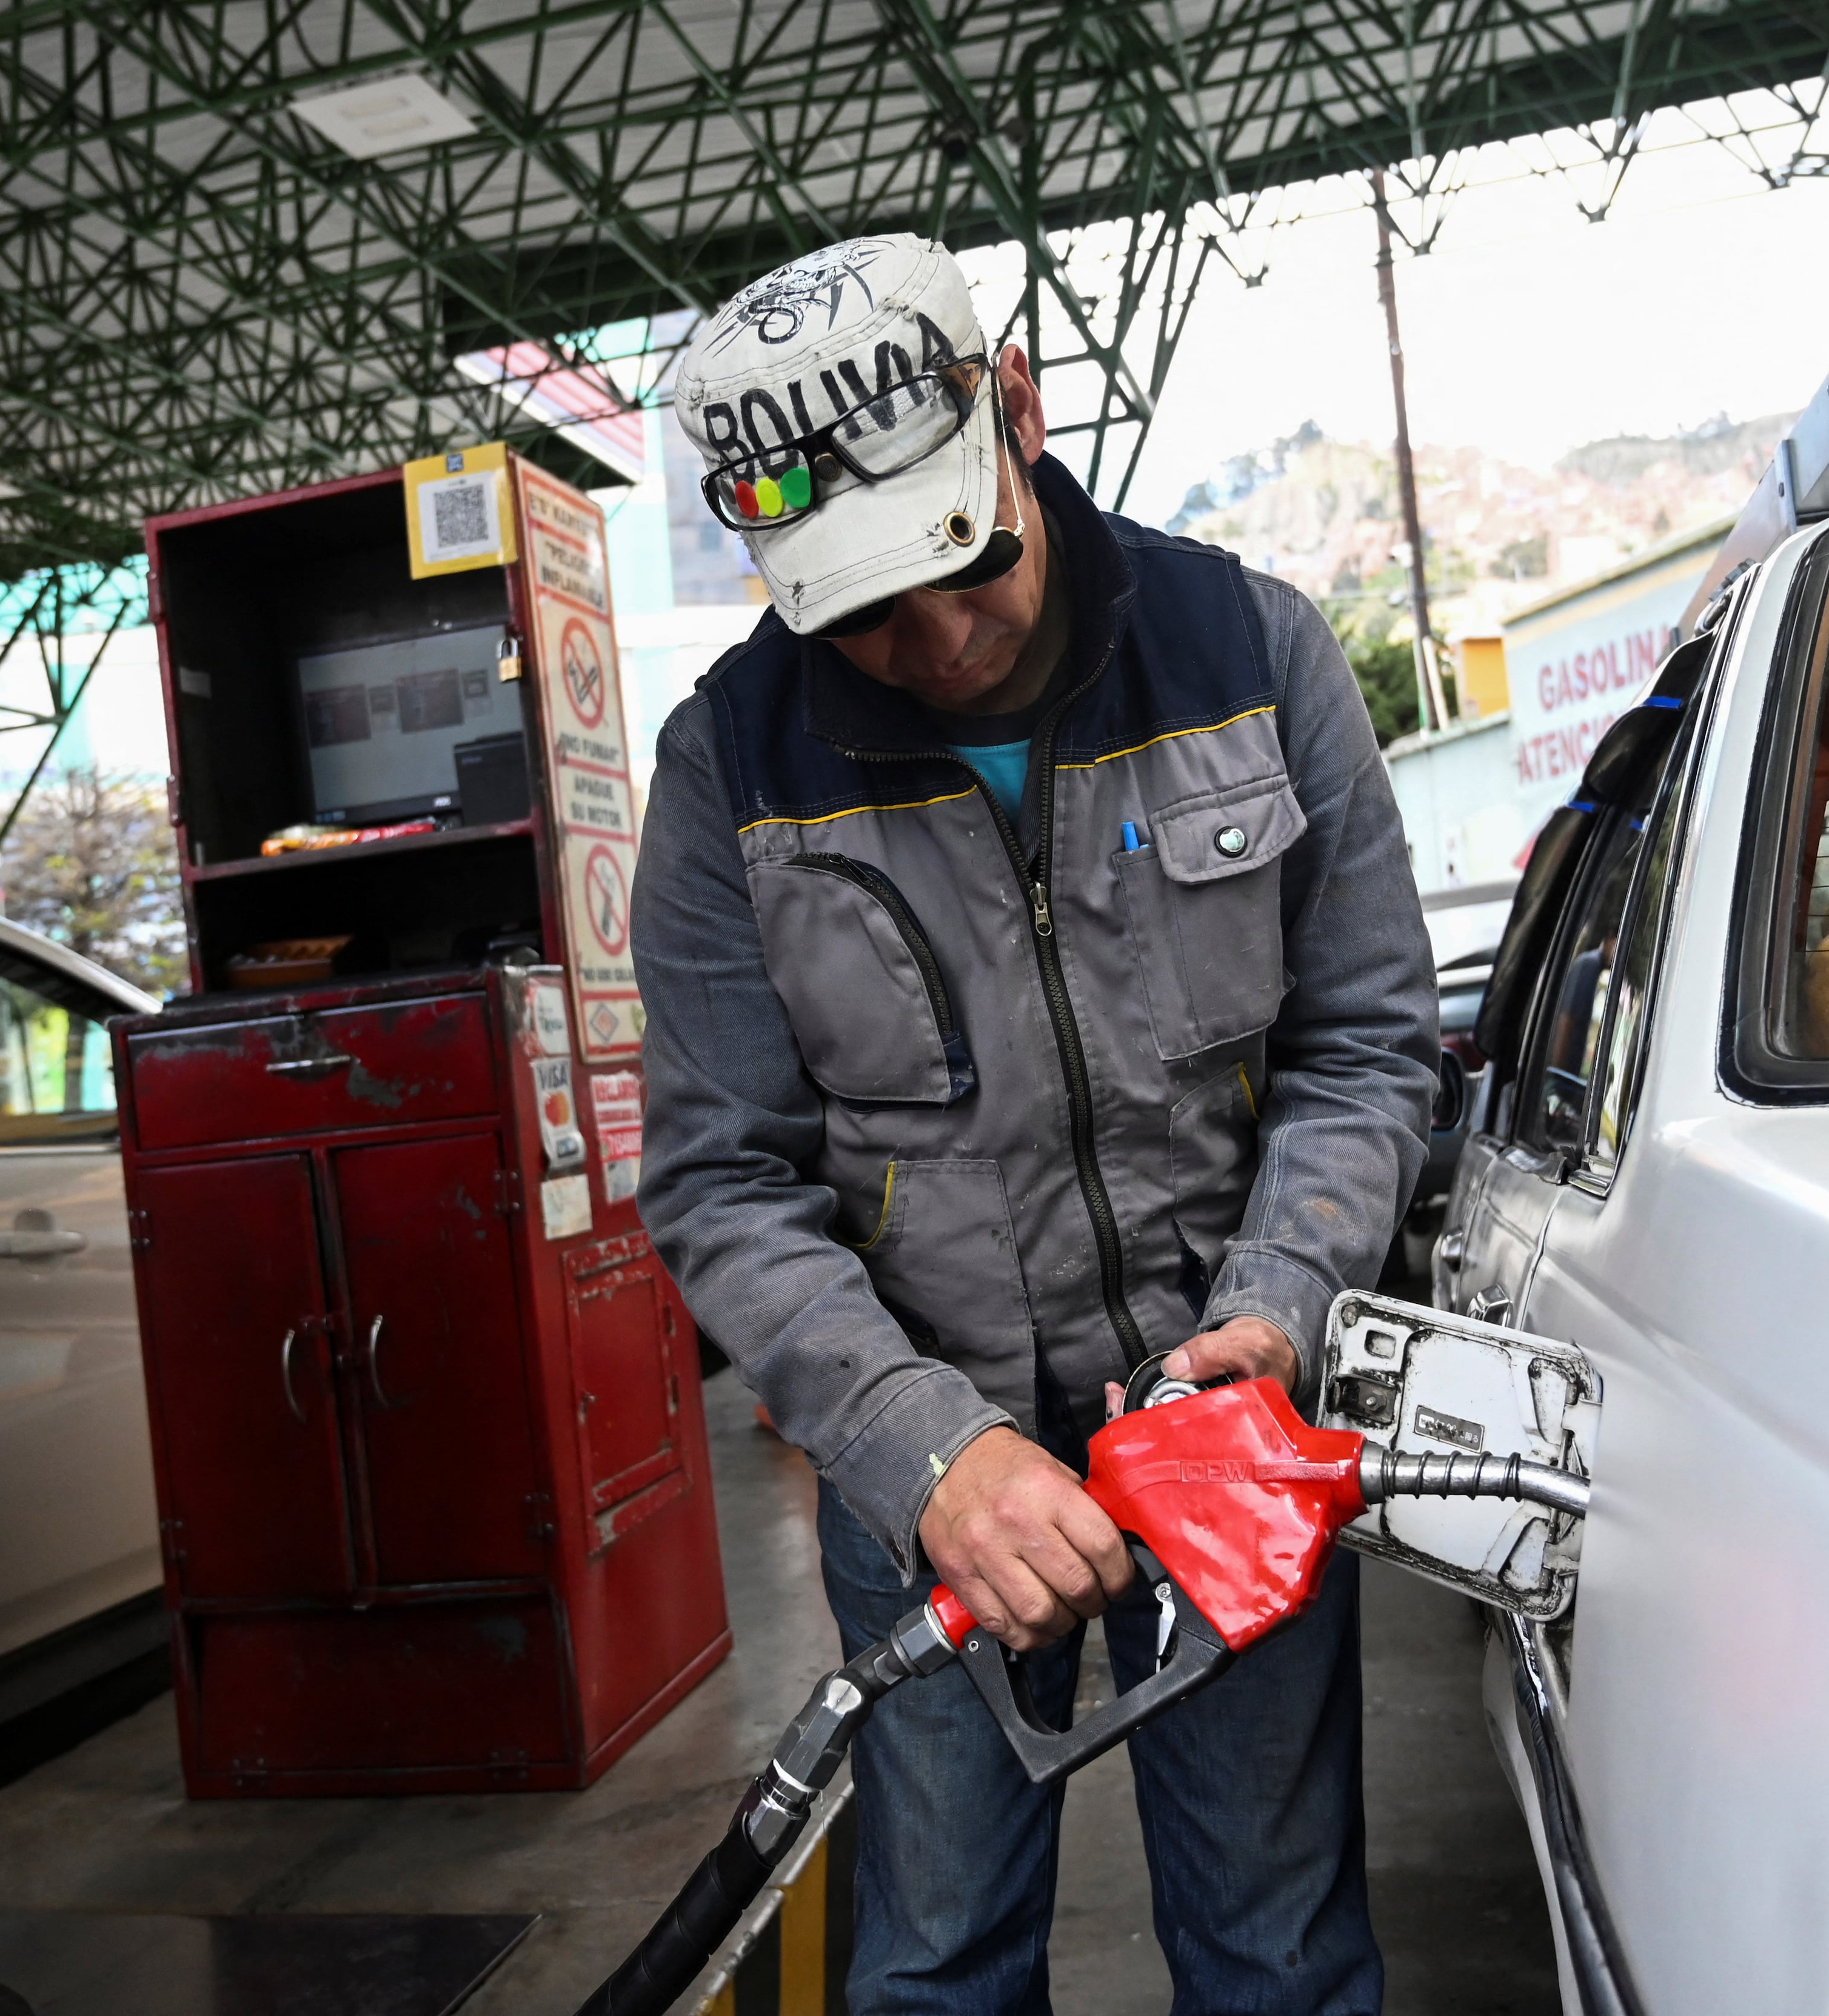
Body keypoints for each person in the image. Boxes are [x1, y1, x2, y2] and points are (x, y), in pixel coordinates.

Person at [632, 233, 1436, 2014]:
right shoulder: (731, 773)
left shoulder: (1250, 648)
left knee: (1281, 1954)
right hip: (927, 1474)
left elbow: (1367, 1045)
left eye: (955, 565)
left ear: (1016, 406)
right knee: (930, 1963)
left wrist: (1277, 1310)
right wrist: (930, 1454)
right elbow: (720, 1181)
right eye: (856, 611)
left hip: (1220, 1434)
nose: (926, 648)